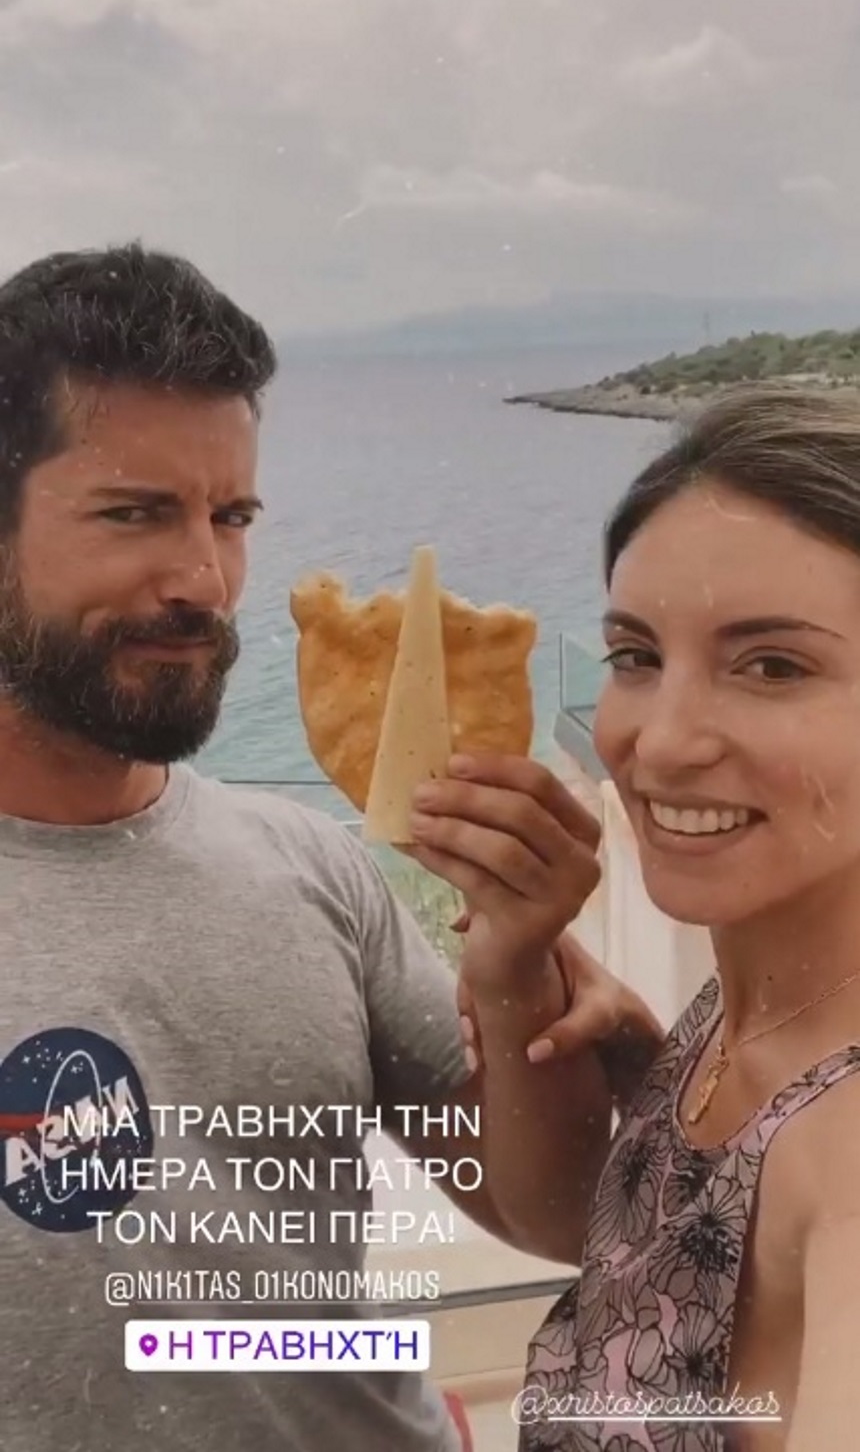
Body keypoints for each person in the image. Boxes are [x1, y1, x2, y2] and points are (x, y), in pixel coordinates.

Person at [0, 243, 662, 1452]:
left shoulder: (311, 867)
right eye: (133, 513)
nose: (205, 579)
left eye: (230, 517)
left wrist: (515, 964)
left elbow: (548, 1213)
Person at [421, 388, 860, 1450]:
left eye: (772, 665)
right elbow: (586, 1233)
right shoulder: (745, 1017)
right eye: (636, 656)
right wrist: (521, 974)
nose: (657, 743)